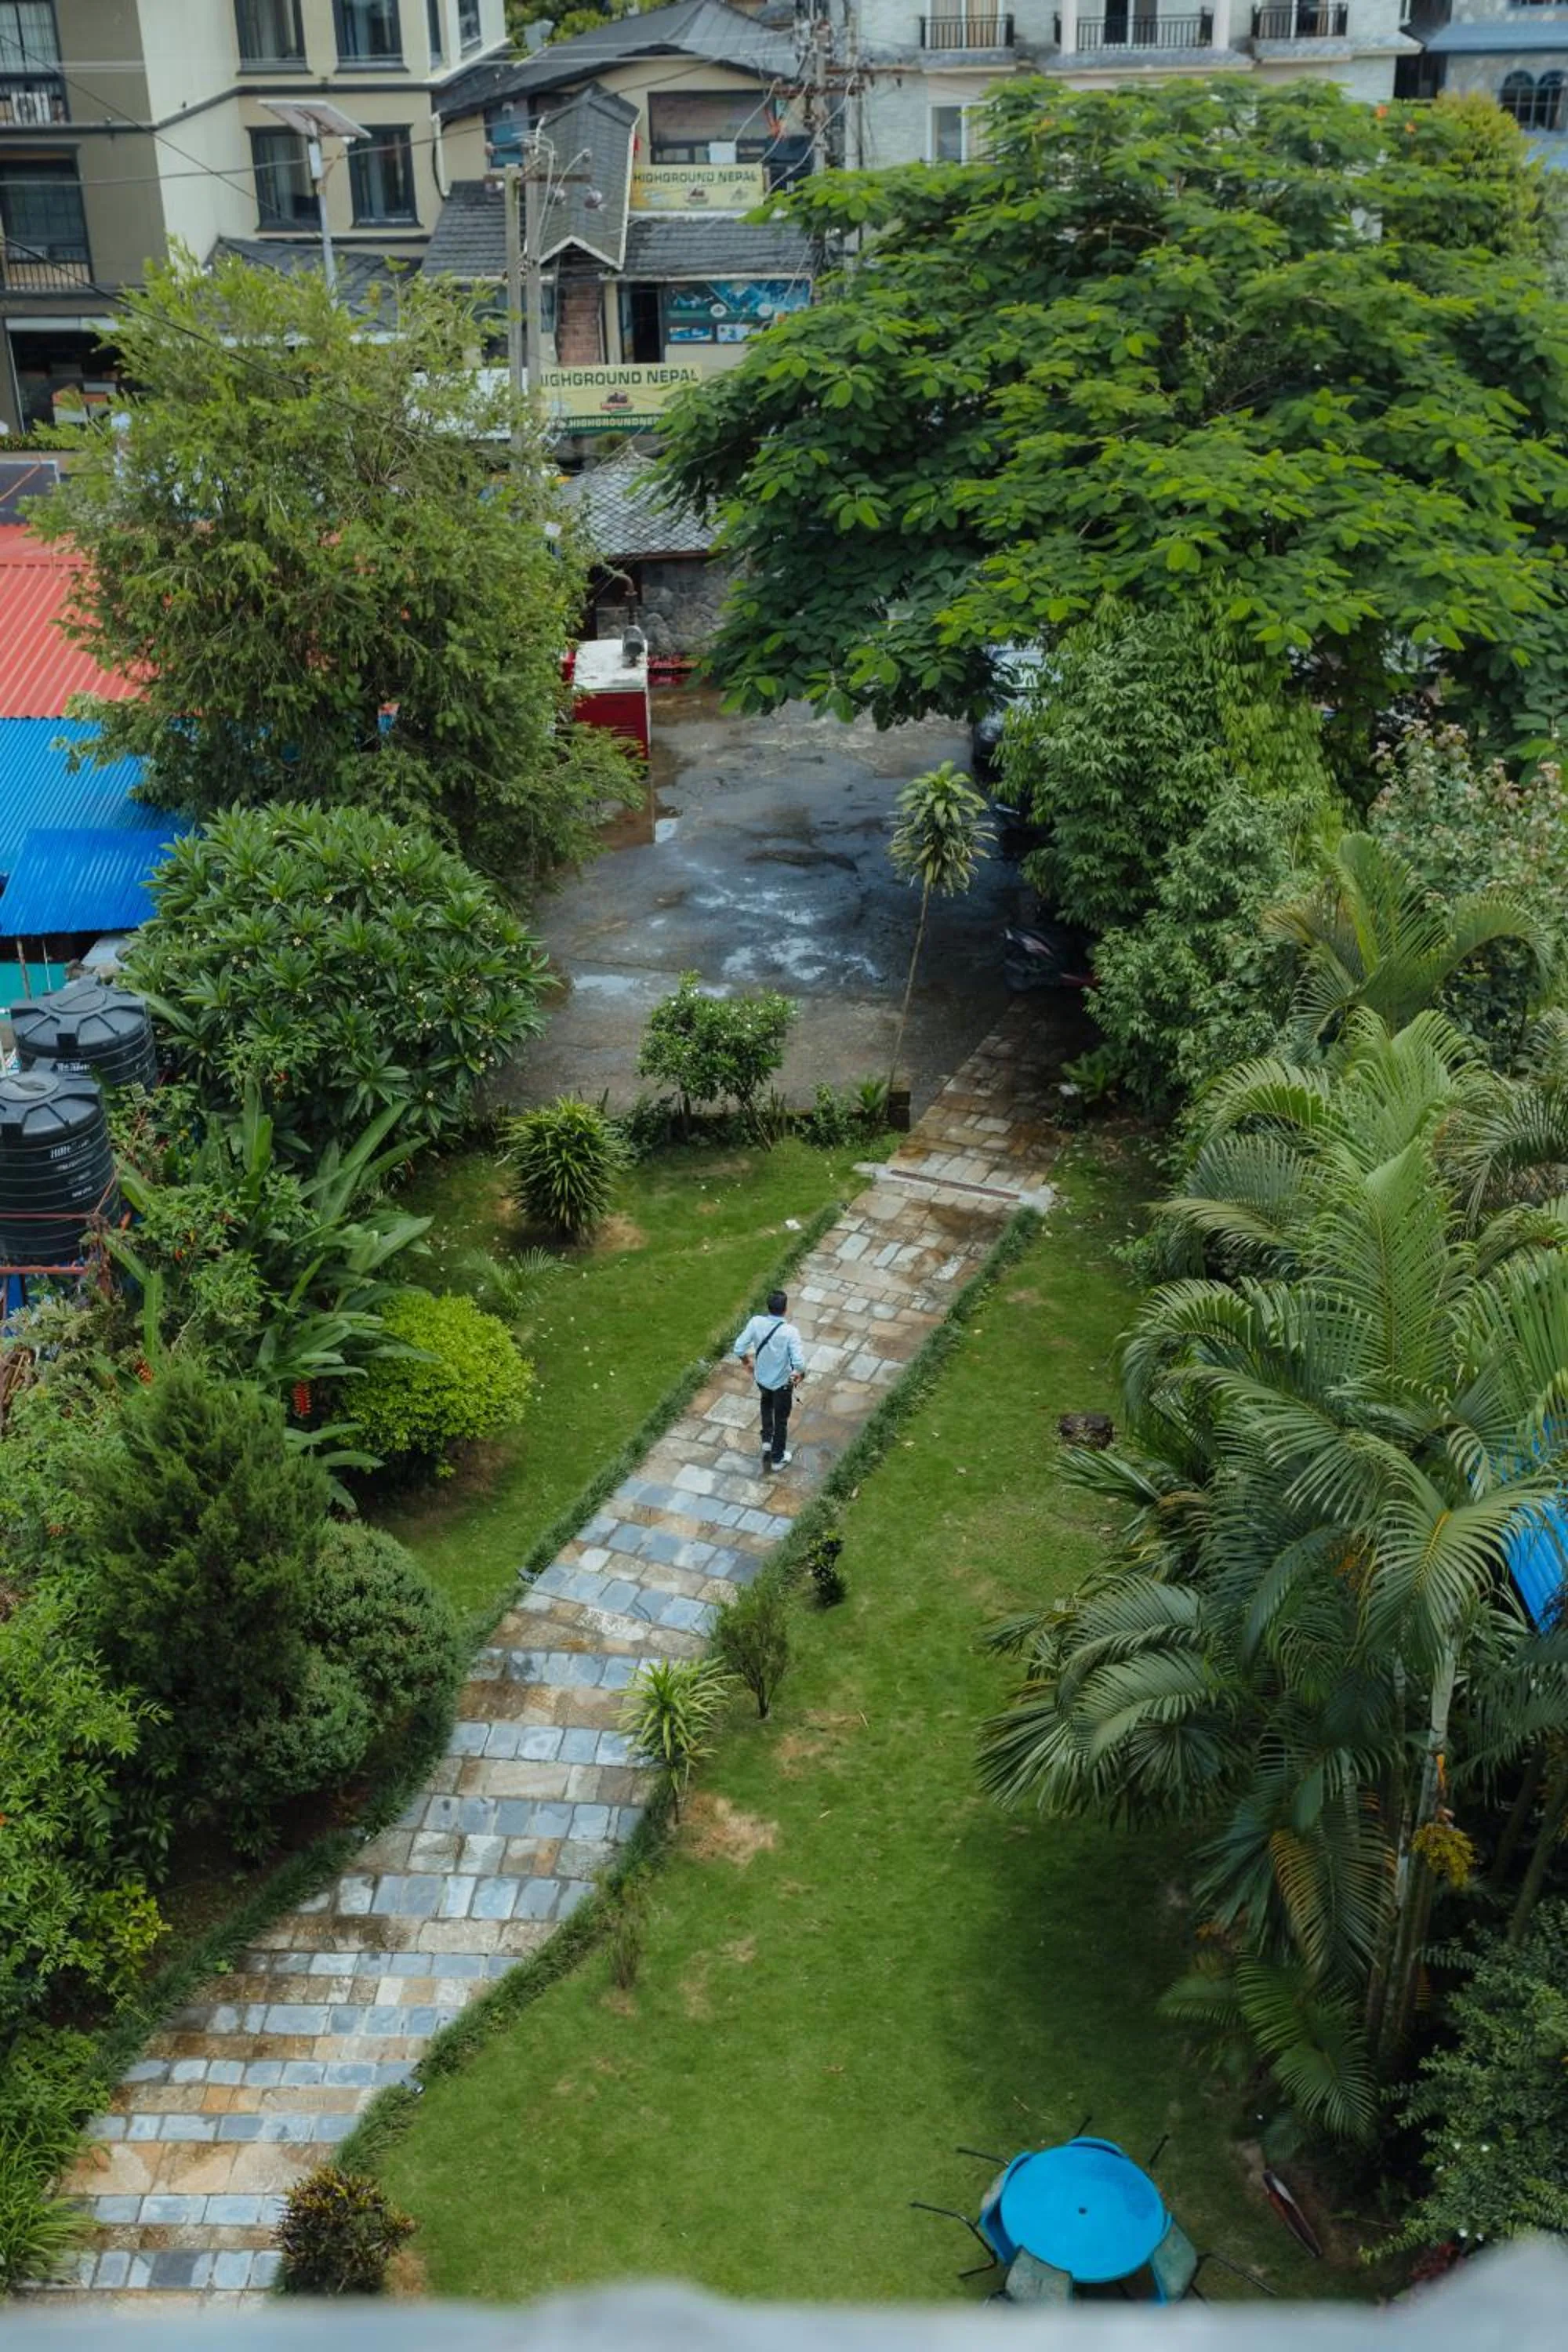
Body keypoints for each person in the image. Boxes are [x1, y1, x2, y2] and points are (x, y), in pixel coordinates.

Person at [732, 1288, 805, 1475]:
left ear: (769, 1307)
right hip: (781, 1384)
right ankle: (777, 1458)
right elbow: (799, 1363)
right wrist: (799, 1374)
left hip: (762, 1379)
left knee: (766, 1404)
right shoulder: (790, 1332)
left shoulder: (756, 1322)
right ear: (785, 1308)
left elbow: (739, 1347)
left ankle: (767, 1441)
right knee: (781, 1420)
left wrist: (747, 1362)